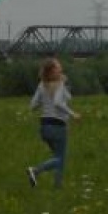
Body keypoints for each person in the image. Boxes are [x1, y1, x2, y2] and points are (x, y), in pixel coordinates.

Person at [27, 57, 81, 188]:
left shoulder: (42, 85)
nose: (61, 68)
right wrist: (73, 114)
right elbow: (58, 103)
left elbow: (33, 106)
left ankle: (58, 185)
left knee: (57, 157)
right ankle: (35, 170)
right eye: (58, 66)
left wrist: (45, 100)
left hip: (44, 127)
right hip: (57, 126)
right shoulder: (59, 84)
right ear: (52, 71)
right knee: (60, 159)